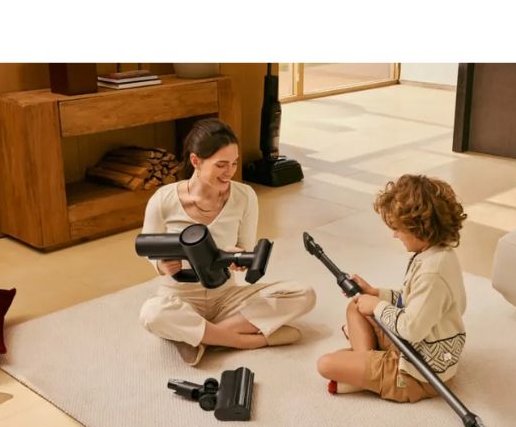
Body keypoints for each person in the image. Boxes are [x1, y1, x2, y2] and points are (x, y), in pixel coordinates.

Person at [139, 118, 316, 365]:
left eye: (234, 163)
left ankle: (201, 337)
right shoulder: (164, 199)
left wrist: (238, 256)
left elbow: (246, 246)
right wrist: (161, 265)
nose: (230, 172)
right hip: (180, 296)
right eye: (221, 165)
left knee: (304, 294)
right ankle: (242, 340)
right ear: (195, 161)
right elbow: (148, 248)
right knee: (152, 313)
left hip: (226, 296)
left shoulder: (245, 196)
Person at [316, 174, 467, 403]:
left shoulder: (432, 273)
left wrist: (377, 306)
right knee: (356, 306)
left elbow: (412, 328)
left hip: (419, 372)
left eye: (398, 228)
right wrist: (376, 294)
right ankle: (366, 366)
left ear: (420, 228)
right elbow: (412, 302)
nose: (394, 234)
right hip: (412, 346)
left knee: (326, 364)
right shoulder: (435, 254)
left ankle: (369, 373)